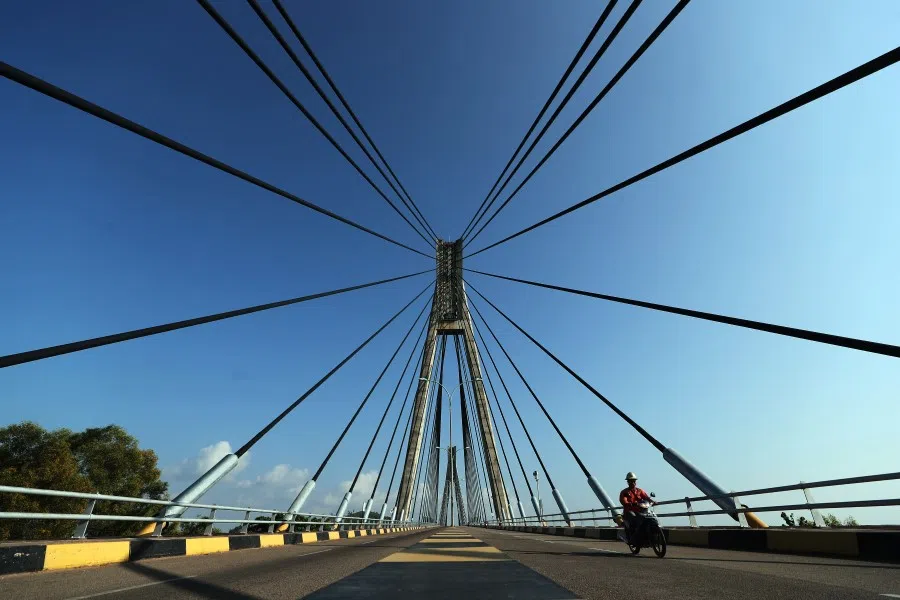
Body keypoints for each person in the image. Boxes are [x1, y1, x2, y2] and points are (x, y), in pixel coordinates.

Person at [619, 472, 653, 540]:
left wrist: (652, 501)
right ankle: (632, 538)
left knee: (650, 517)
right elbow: (624, 500)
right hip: (629, 511)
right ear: (628, 482)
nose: (633, 482)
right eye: (631, 481)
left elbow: (646, 497)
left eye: (634, 481)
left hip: (640, 510)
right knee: (633, 518)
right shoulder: (625, 492)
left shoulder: (640, 491)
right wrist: (628, 503)